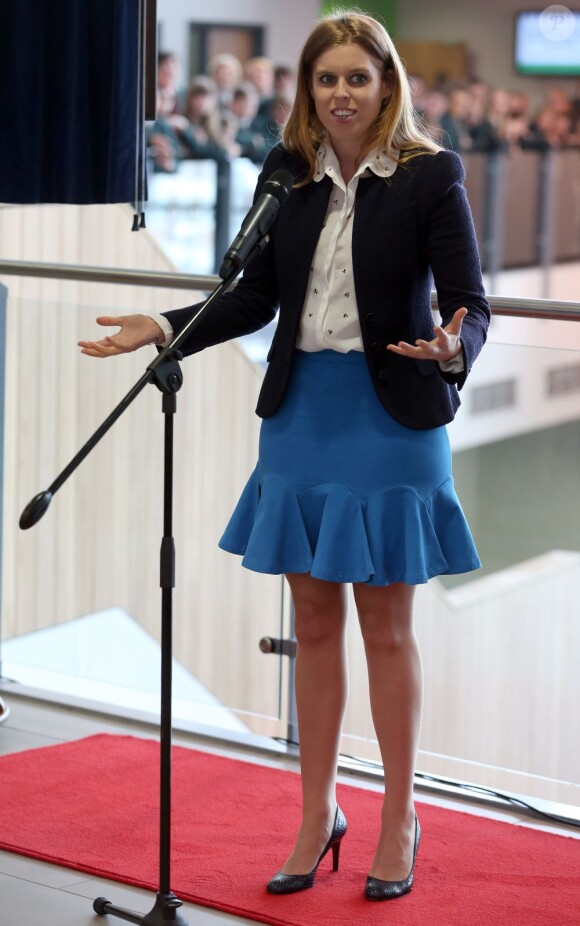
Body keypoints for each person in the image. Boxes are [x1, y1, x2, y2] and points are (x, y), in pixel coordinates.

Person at [78, 10, 490, 902]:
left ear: (387, 87)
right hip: (302, 415)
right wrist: (166, 328)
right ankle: (317, 812)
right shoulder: (287, 176)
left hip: (394, 422)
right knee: (311, 624)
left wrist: (456, 348)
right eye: (325, 78)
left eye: (357, 77)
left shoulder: (429, 176)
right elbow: (253, 297)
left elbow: (469, 302)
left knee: (386, 625)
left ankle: (399, 817)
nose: (341, 93)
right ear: (306, 89)